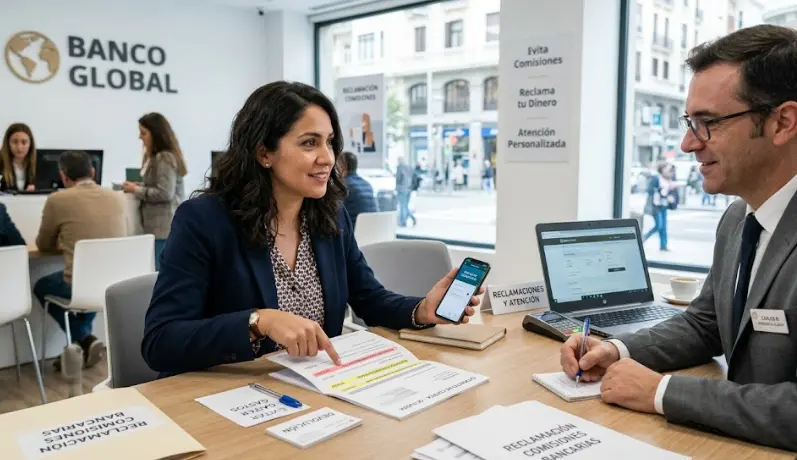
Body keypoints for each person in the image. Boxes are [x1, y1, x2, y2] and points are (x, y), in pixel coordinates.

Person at [560, 24, 797, 451]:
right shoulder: (737, 219)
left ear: (782, 122)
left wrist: (662, 392)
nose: (688, 144)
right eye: (690, 122)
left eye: (708, 123)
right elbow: (705, 325)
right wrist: (616, 350)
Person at [141, 81, 483, 376]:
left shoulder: (330, 217)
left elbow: (370, 299)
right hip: (225, 396)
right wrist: (258, 322)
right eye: (309, 143)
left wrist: (422, 309)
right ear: (264, 153)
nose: (328, 157)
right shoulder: (204, 220)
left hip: (312, 389)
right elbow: (160, 341)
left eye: (329, 142)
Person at [34, 150, 126, 370]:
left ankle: (82, 338)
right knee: (90, 281)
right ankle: (83, 342)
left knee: (42, 286)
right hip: (115, 280)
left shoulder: (57, 200)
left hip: (82, 283)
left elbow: (43, 244)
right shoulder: (117, 197)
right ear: (92, 172)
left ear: (63, 176)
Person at [121, 113, 187, 270]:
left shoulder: (165, 158)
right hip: (157, 229)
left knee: (158, 273)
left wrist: (136, 189)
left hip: (162, 229)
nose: (140, 137)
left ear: (156, 134)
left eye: (143, 133)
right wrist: (138, 185)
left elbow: (165, 193)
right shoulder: (158, 157)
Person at [337, 151, 377, 226]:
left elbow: (337, 214)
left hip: (354, 230)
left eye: (337, 165)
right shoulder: (367, 184)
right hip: (372, 229)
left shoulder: (343, 185)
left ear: (343, 166)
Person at [643, 162, 676, 251]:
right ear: (662, 169)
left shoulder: (669, 180)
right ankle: (643, 238)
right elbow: (649, 190)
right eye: (667, 169)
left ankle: (663, 245)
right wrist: (659, 190)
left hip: (664, 205)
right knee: (659, 225)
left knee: (664, 227)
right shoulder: (656, 178)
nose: (669, 171)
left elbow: (670, 193)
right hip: (656, 206)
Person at [0, 123, 37, 192]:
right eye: (14, 142)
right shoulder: (1, 162)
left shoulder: (41, 163)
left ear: (30, 144)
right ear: (8, 143)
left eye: (24, 142)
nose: (19, 147)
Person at [395, 156, 415, 227]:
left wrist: (397, 187)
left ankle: (403, 222)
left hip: (401, 189)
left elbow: (398, 179)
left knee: (402, 206)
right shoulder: (409, 167)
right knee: (405, 206)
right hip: (409, 189)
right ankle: (412, 217)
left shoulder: (400, 168)